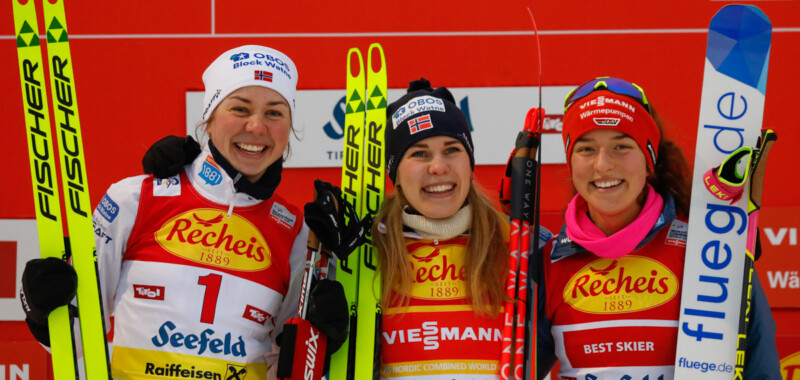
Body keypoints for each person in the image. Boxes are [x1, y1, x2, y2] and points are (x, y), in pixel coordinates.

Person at [20, 45, 347, 380]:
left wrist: (320, 348)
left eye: (275, 113)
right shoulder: (136, 198)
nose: (256, 126)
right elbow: (78, 338)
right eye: (239, 108)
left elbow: (289, 367)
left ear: (289, 128)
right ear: (209, 117)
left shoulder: (296, 233)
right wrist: (45, 311)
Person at [533, 77, 781, 379]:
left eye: (621, 146)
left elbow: (759, 366)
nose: (602, 165)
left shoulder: (707, 250)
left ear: (648, 160)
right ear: (570, 162)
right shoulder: (548, 263)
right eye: (586, 149)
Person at [373, 79, 511, 379]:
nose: (438, 167)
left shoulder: (515, 244)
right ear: (395, 174)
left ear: (470, 164)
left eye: (451, 149)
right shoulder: (366, 252)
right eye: (419, 154)